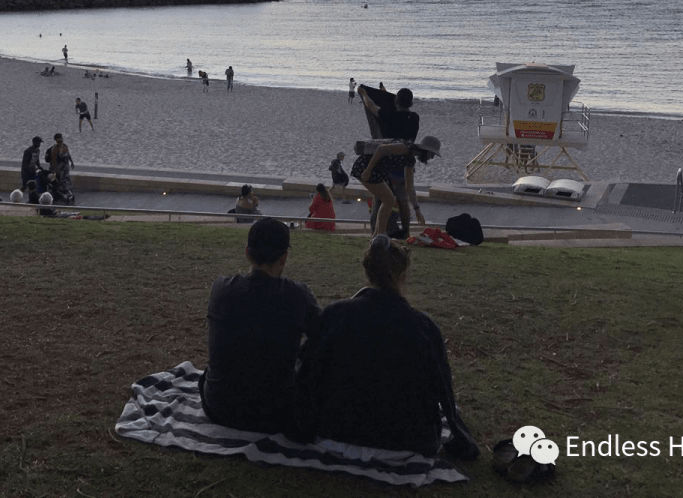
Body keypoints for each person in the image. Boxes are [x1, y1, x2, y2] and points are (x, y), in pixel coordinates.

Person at [290, 236, 479, 461]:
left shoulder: (334, 314)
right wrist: (462, 441)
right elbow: (442, 389)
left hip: (333, 432)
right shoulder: (423, 326)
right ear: (403, 276)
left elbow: (308, 373)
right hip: (406, 441)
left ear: (367, 273)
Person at [200, 218, 321, 433]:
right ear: (283, 257)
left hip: (220, 407)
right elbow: (322, 337)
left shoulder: (221, 289)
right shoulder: (297, 294)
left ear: (247, 253)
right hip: (276, 413)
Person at [351, 136, 440, 239]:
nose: (432, 157)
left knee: (388, 200)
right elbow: (381, 149)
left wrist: (417, 211)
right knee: (389, 200)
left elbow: (410, 187)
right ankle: (380, 234)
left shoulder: (410, 159)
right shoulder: (405, 147)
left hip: (376, 172)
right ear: (426, 150)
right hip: (364, 167)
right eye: (432, 154)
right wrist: (368, 170)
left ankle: (377, 236)